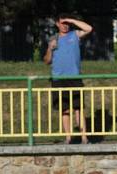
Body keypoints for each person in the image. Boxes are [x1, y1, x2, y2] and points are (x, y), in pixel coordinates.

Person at [43, 14, 93, 144]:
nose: (65, 25)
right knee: (64, 109)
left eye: (67, 23)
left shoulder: (74, 35)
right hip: (58, 79)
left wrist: (71, 20)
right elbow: (47, 61)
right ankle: (68, 137)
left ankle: (84, 137)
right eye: (62, 23)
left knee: (78, 108)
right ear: (57, 24)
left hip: (74, 77)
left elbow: (89, 29)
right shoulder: (53, 39)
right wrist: (50, 48)